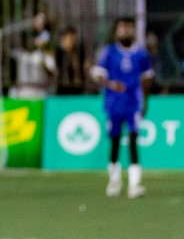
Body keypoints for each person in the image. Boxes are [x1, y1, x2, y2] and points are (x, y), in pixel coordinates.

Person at [91, 17, 153, 199]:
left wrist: (145, 102)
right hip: (113, 104)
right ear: (117, 31)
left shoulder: (141, 54)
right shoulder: (109, 53)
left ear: (133, 31)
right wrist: (110, 84)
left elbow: (147, 79)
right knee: (115, 141)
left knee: (133, 140)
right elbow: (98, 75)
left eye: (128, 28)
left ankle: (134, 184)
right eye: (122, 28)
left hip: (133, 104)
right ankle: (114, 180)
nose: (125, 31)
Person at [9, 31, 55, 100]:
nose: (29, 41)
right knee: (12, 92)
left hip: (39, 90)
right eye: (26, 39)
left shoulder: (44, 55)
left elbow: (53, 74)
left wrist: (44, 64)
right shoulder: (19, 54)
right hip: (22, 89)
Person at [54, 26, 88, 95]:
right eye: (70, 38)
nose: (73, 41)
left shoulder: (79, 51)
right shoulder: (59, 52)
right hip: (63, 89)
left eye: (74, 39)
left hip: (77, 88)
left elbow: (79, 68)